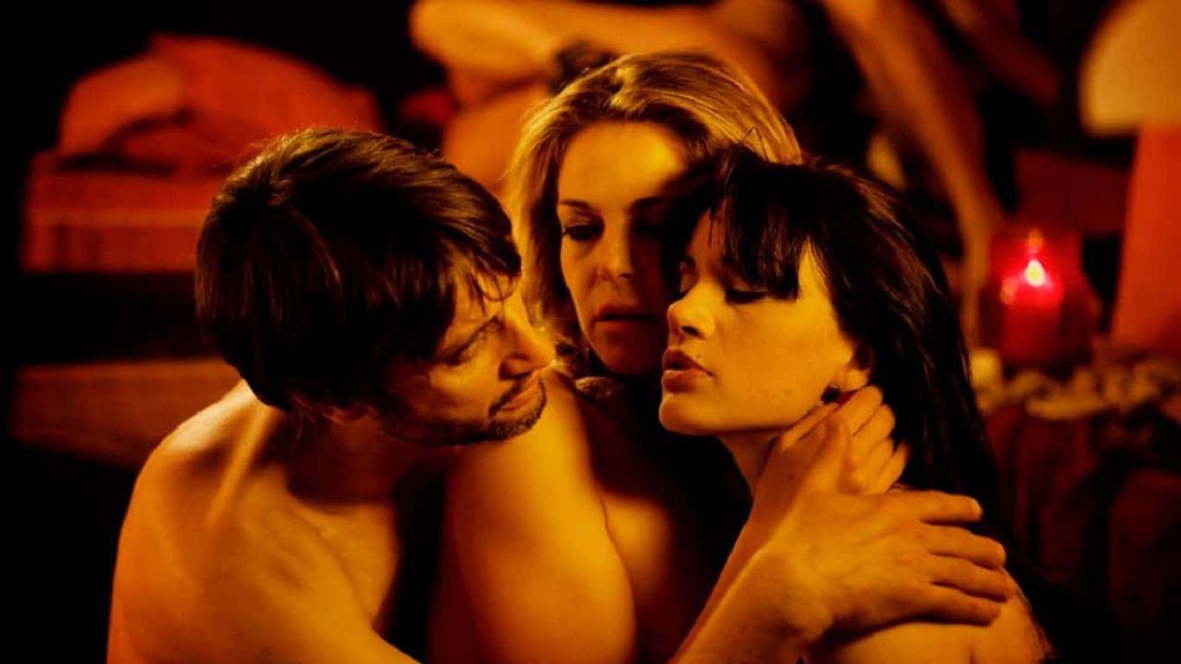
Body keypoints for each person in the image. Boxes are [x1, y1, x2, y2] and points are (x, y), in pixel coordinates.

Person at [430, 52, 1015, 663]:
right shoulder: (532, 432)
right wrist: (775, 568)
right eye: (581, 230)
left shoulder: (792, 429)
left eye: (656, 228)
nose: (612, 266)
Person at [107, 129, 556, 663]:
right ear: (335, 400)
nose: (538, 351)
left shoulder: (386, 322)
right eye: (467, 350)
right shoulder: (251, 581)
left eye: (514, 294)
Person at [659, 146, 1051, 662]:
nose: (682, 310)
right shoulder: (802, 557)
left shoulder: (891, 607)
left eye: (744, 290)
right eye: (686, 280)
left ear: (860, 358)